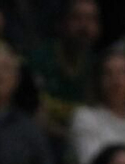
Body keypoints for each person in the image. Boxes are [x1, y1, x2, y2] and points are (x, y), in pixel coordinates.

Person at [28, 0, 101, 142]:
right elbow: (35, 119)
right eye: (77, 18)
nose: (85, 27)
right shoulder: (39, 60)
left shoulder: (97, 66)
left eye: (91, 19)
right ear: (60, 23)